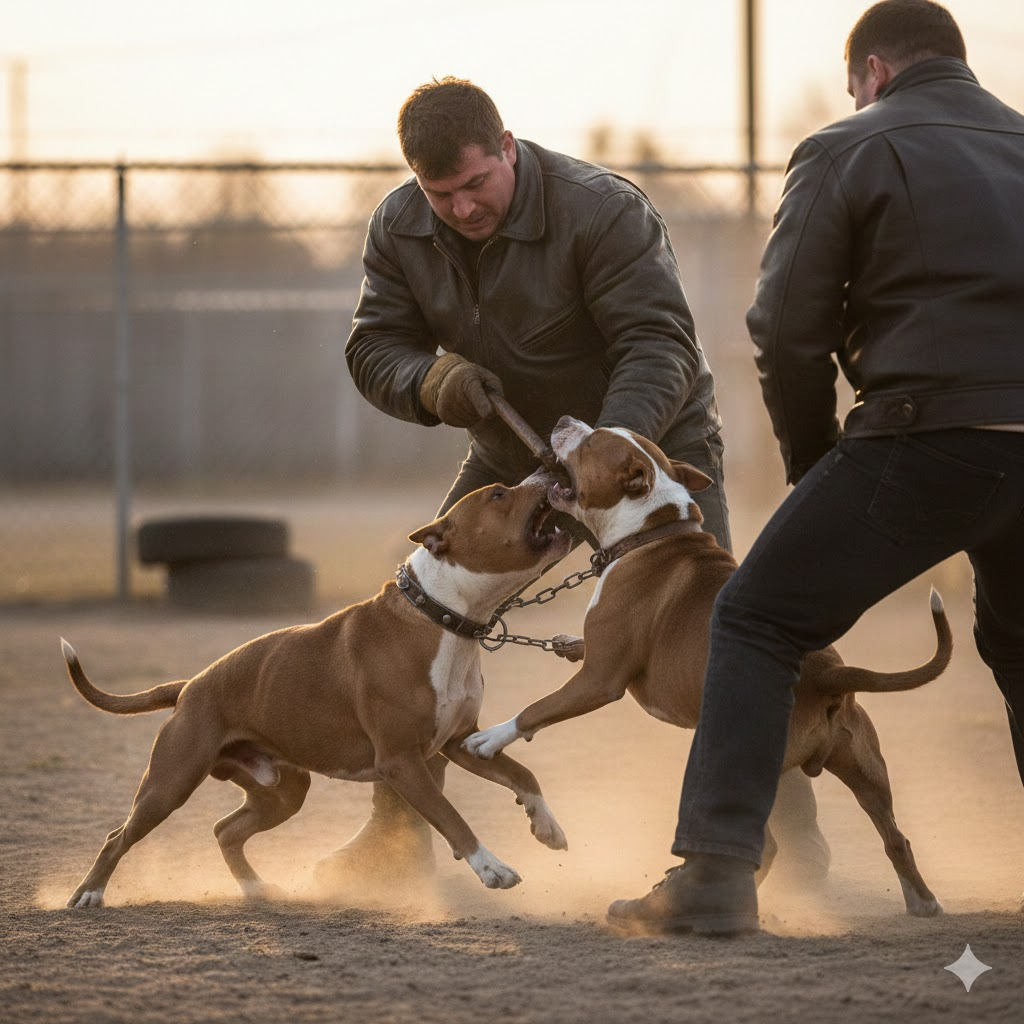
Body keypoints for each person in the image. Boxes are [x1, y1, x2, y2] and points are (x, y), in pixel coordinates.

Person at [317, 76, 830, 892]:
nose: (460, 208)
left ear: (508, 148)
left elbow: (659, 343)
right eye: (438, 192)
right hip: (511, 455)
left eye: (476, 184)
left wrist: (604, 459)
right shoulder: (399, 225)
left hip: (641, 450)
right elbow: (373, 343)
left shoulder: (603, 211)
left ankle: (783, 833)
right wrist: (431, 382)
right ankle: (396, 834)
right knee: (419, 619)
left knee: (725, 642)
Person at [608, 0, 1024, 937]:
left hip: (926, 434)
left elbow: (785, 326)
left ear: (871, 72)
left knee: (756, 614)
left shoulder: (847, 147)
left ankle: (715, 874)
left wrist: (815, 463)